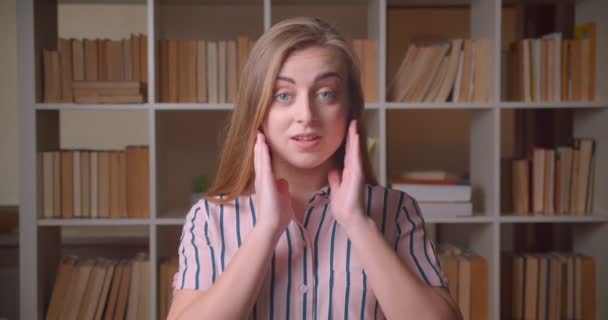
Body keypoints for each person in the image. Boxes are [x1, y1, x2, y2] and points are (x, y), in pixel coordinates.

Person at [167, 17, 461, 320]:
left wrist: (358, 223)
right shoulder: (210, 218)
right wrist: (266, 230)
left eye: (326, 94)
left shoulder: (397, 210)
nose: (306, 115)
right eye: (283, 95)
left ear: (350, 109)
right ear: (257, 110)